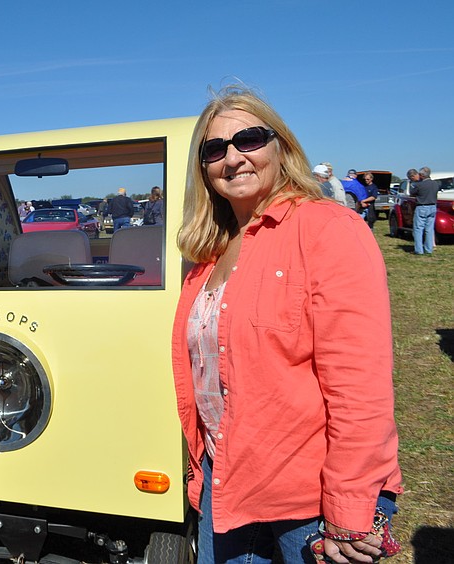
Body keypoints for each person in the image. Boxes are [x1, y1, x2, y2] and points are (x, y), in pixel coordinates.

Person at [173, 86, 402, 564]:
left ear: (283, 147)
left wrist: (349, 507)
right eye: (214, 149)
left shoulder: (327, 229)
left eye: (249, 140)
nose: (232, 158)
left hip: (309, 497)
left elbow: (360, 387)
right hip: (228, 480)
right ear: (202, 167)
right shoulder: (207, 255)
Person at [410, 166, 439, 256]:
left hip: (422, 206)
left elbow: (412, 192)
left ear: (422, 175)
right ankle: (428, 249)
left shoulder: (419, 185)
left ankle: (419, 250)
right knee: (429, 229)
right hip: (433, 206)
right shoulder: (435, 184)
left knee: (418, 229)